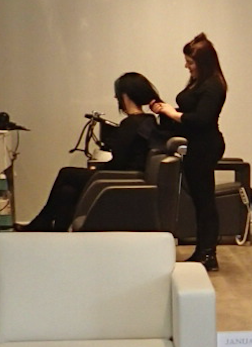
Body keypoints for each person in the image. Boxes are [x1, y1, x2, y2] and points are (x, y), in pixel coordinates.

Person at [19, 73, 164, 232]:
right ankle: (55, 229)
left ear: (124, 96)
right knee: (68, 191)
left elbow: (119, 161)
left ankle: (44, 221)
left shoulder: (130, 124)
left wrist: (98, 168)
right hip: (127, 172)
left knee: (66, 173)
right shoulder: (147, 120)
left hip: (122, 176)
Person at [153, 32, 227, 270]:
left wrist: (173, 114)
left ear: (203, 62)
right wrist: (166, 110)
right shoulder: (201, 83)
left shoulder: (213, 86)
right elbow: (191, 114)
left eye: (191, 62)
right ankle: (204, 251)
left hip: (206, 147)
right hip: (198, 145)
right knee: (199, 199)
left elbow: (202, 119)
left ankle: (208, 253)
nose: (186, 65)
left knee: (204, 200)